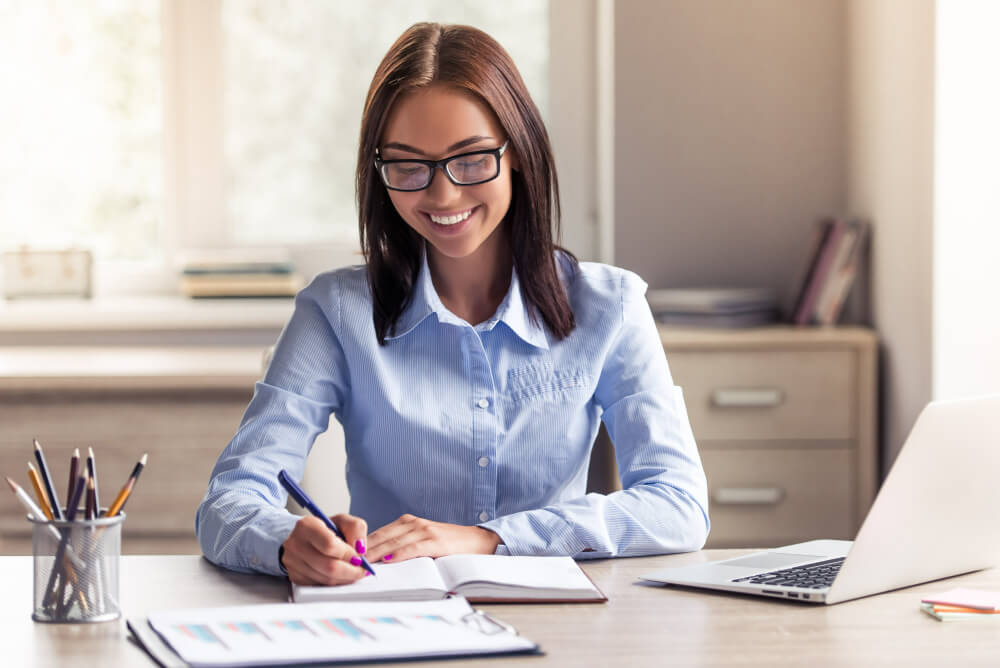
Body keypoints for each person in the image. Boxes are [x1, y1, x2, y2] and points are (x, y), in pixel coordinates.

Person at [196, 22, 709, 586]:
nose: (442, 195)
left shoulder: (611, 306)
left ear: (519, 152)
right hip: (392, 620)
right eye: (409, 166)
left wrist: (490, 541)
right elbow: (229, 501)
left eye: (470, 160)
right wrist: (286, 543)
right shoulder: (335, 311)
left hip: (560, 624)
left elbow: (678, 504)